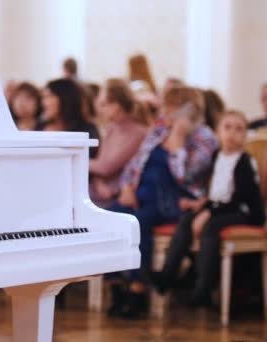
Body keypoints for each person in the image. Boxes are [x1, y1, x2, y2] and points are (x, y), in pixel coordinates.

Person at [108, 86, 218, 318]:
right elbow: (136, 163)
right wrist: (126, 187)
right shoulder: (159, 131)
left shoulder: (205, 137)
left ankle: (138, 291)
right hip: (141, 195)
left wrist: (178, 139)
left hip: (173, 201)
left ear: (187, 111)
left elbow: (185, 175)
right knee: (110, 220)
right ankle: (117, 286)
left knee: (139, 223)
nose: (164, 115)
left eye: (170, 110)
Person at [150, 110, 266, 307]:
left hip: (244, 212)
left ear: (245, 135)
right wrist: (200, 204)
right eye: (227, 127)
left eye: (239, 129)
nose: (231, 133)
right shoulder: (217, 156)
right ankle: (167, 275)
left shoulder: (244, 161)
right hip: (221, 208)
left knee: (211, 227)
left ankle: (203, 288)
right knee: (186, 219)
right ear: (218, 132)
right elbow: (216, 193)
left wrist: (208, 212)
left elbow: (240, 198)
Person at [89, 79, 147, 207]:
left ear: (117, 105)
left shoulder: (138, 133)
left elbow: (106, 167)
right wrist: (99, 183)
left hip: (118, 197)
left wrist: (77, 160)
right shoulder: (111, 129)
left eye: (103, 104)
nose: (99, 109)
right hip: (100, 192)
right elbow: (100, 166)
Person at [40, 78, 99, 158]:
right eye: (43, 97)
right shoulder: (41, 126)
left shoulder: (86, 131)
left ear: (64, 98)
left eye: (49, 96)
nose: (43, 102)